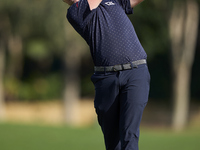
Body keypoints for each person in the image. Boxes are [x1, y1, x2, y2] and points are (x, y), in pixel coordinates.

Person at [63, 0, 150, 149]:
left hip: (135, 72)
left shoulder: (114, 1)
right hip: (106, 80)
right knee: (113, 142)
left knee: (130, 136)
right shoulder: (75, 12)